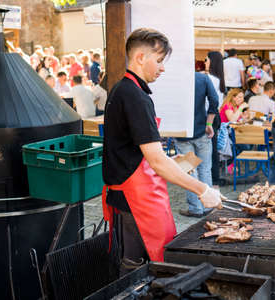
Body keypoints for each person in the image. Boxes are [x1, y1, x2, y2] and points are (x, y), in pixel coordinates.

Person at [102, 28, 222, 271]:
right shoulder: (135, 96)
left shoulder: (123, 89)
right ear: (139, 58)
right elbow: (155, 160)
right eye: (158, 61)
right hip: (134, 197)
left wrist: (172, 160)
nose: (162, 68)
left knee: (136, 263)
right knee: (134, 266)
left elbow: (135, 149)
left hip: (130, 192)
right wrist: (202, 189)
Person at [175, 72, 218, 217]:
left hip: (181, 133)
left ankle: (195, 208)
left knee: (189, 171)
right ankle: (208, 205)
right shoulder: (203, 78)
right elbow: (215, 100)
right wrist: (209, 123)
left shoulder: (173, 78)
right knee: (205, 169)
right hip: (202, 130)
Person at [204, 51, 226, 187]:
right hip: (215, 115)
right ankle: (215, 180)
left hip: (209, 117)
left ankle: (213, 180)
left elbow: (209, 102)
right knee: (212, 150)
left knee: (209, 150)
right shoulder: (219, 79)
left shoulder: (210, 79)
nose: (205, 62)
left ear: (212, 62)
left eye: (206, 60)